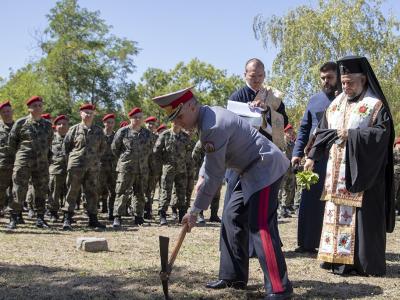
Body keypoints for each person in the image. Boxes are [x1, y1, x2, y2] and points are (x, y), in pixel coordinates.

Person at [153, 87, 293, 300]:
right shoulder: (206, 118)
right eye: (174, 119)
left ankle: (279, 288)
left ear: (192, 106)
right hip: (248, 170)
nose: (177, 123)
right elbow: (209, 163)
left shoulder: (213, 125)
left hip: (265, 168)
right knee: (231, 216)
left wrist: (194, 210)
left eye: (179, 116)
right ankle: (233, 276)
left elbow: (214, 174)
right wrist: (201, 181)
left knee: (260, 226)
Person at [305, 56, 395, 276]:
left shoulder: (375, 105)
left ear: (363, 79)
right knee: (335, 212)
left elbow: (383, 135)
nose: (346, 87)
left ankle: (360, 263)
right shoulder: (335, 104)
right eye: (343, 83)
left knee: (361, 219)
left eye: (350, 82)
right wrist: (312, 157)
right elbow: (323, 132)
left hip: (363, 173)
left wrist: (352, 135)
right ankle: (335, 259)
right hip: (336, 173)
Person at [291, 61, 338, 253]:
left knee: (333, 200)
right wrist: (296, 153)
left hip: (337, 156)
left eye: (330, 78)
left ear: (338, 76)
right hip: (313, 157)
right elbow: (304, 129)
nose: (326, 81)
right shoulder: (314, 100)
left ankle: (332, 244)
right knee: (309, 199)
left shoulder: (345, 99)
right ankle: (307, 243)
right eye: (323, 78)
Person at [7, 96, 53, 229]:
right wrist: (19, 157)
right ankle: (14, 217)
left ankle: (40, 218)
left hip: (42, 163)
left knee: (41, 190)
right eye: (35, 106)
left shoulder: (48, 125)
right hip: (24, 161)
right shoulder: (21, 123)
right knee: (18, 189)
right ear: (29, 108)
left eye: (40, 105)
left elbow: (49, 142)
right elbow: (12, 143)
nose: (38, 108)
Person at [62, 103, 106, 230]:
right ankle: (67, 219)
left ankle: (93, 219)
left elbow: (103, 148)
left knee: (92, 192)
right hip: (76, 166)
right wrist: (72, 160)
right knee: (72, 191)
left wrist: (95, 159)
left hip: (92, 167)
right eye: (86, 112)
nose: (88, 115)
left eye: (91, 113)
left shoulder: (98, 131)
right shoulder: (74, 129)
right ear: (80, 114)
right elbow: (66, 148)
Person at [229, 58, 288, 149]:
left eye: (260, 75)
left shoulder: (274, 96)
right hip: (244, 149)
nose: (257, 80)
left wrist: (267, 110)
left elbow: (284, 122)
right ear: (245, 75)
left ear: (264, 75)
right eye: (253, 76)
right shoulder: (236, 97)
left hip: (270, 147)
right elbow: (230, 125)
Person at [112, 107, 152, 227]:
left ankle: (138, 217)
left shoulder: (147, 133)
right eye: (135, 117)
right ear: (130, 118)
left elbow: (150, 148)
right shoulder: (123, 131)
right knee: (122, 192)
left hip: (142, 168)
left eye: (140, 117)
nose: (138, 119)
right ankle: (117, 217)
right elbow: (115, 148)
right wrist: (125, 159)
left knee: (139, 193)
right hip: (126, 168)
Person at [153, 122, 190, 225]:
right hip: (168, 168)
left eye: (178, 121)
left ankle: (182, 215)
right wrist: (163, 163)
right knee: (165, 191)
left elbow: (188, 151)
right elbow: (156, 151)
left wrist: (184, 161)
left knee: (181, 192)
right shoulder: (165, 135)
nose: (176, 124)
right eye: (174, 121)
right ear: (171, 122)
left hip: (181, 169)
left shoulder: (185, 136)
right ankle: (162, 215)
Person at [48, 114, 69, 222]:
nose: (62, 126)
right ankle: (53, 213)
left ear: (68, 126)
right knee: (54, 193)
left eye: (64, 124)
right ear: (55, 126)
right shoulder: (50, 138)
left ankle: (67, 215)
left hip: (70, 170)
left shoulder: (72, 138)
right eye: (59, 124)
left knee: (69, 193)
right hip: (55, 170)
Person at [99, 113, 117, 220]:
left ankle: (111, 212)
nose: (109, 124)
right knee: (97, 190)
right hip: (100, 166)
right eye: (107, 122)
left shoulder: (117, 136)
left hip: (113, 167)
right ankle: (93, 213)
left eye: (111, 122)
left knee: (113, 191)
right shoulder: (99, 135)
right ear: (104, 123)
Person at [278, 124, 296, 218]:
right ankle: (279, 208)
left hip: (291, 169)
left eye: (291, 132)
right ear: (285, 132)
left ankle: (285, 207)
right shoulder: (281, 142)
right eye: (289, 132)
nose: (291, 133)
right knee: (280, 189)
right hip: (283, 169)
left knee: (289, 188)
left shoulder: (292, 144)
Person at [0, 100, 14, 217]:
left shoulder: (19, 127)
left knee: (17, 190)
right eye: (4, 112)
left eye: (8, 111)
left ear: (12, 112)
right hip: (2, 164)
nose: (6, 113)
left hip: (17, 164)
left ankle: (14, 213)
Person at [144, 116, 159, 219]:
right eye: (148, 123)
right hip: (142, 167)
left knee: (150, 190)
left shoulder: (157, 138)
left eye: (152, 124)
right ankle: (139, 211)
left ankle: (148, 211)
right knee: (140, 190)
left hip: (153, 168)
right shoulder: (141, 136)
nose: (150, 125)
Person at [393, 138, 400, 215]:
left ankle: (397, 209)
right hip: (395, 175)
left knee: (398, 194)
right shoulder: (394, 152)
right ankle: (393, 209)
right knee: (394, 192)